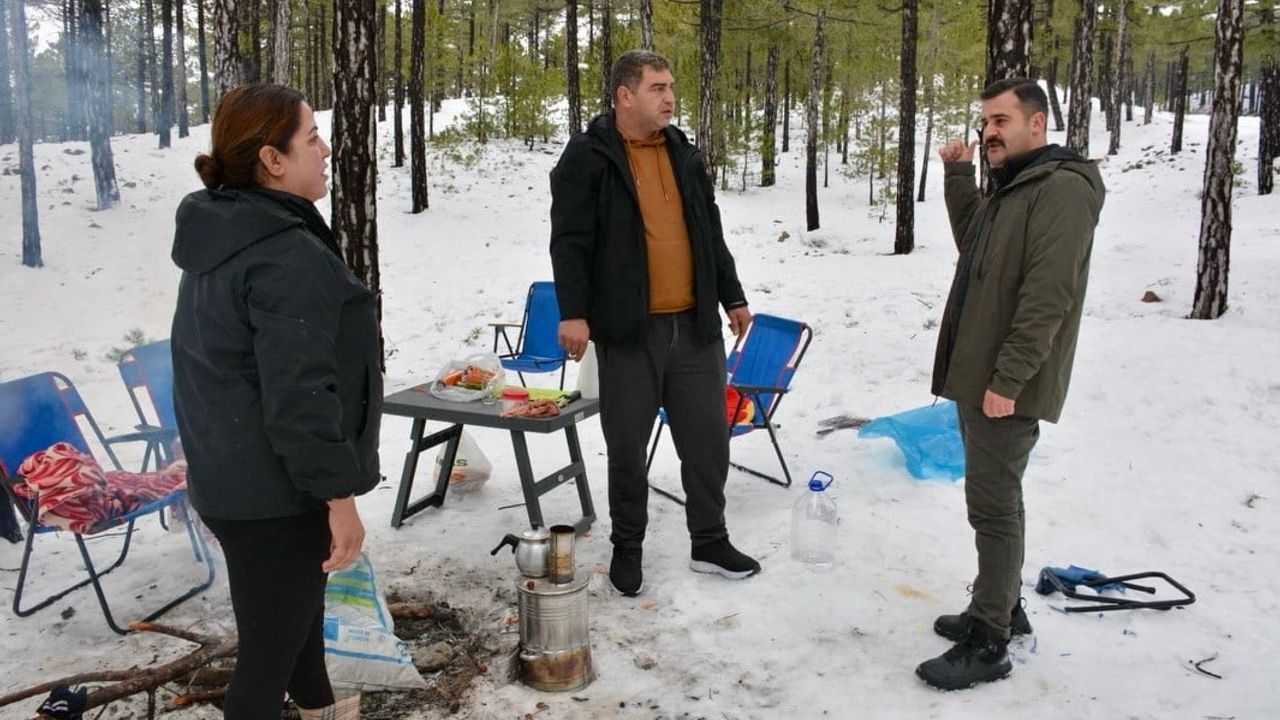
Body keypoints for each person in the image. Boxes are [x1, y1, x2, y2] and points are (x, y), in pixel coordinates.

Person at [171, 84, 381, 720]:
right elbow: (300, 397)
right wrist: (337, 499)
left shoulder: (227, 233)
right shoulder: (282, 255)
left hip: (231, 478)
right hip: (274, 492)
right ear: (272, 159)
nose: (325, 149)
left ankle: (319, 709)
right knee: (266, 656)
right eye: (311, 138)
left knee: (293, 624)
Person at [916, 78, 1105, 691]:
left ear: (1038, 122)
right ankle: (1002, 604)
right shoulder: (1016, 184)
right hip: (984, 373)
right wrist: (958, 178)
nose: (990, 131)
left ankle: (990, 639)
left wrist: (1010, 380)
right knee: (997, 502)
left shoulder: (1061, 191)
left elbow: (1047, 297)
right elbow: (978, 250)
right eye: (986, 122)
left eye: (1001, 120)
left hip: (1005, 380)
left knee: (993, 509)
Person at [549, 50, 759, 597]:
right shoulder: (588, 157)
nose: (669, 97)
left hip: (693, 328)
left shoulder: (683, 153)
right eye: (657, 88)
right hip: (628, 333)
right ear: (624, 95)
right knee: (626, 446)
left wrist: (731, 293)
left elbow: (710, 231)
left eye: (671, 87)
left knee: (708, 442)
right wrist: (573, 311)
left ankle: (710, 540)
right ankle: (629, 546)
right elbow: (569, 241)